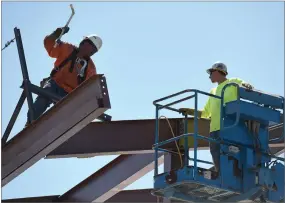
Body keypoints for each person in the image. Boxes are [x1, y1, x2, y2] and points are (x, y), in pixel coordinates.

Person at [179, 61, 253, 175]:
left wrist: (247, 85)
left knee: (229, 152)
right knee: (215, 153)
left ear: (219, 72)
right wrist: (191, 111)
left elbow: (244, 85)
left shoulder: (232, 82)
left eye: (211, 73)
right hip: (214, 129)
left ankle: (235, 174)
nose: (209, 76)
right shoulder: (212, 92)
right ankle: (221, 175)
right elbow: (205, 113)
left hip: (229, 126)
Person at [26, 26, 102, 126]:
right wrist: (56, 34)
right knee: (45, 95)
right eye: (85, 43)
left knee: (64, 114)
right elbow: (50, 45)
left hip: (68, 95)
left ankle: (52, 131)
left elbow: (90, 89)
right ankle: (31, 122)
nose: (84, 45)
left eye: (89, 47)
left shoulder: (90, 68)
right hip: (54, 84)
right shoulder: (68, 49)